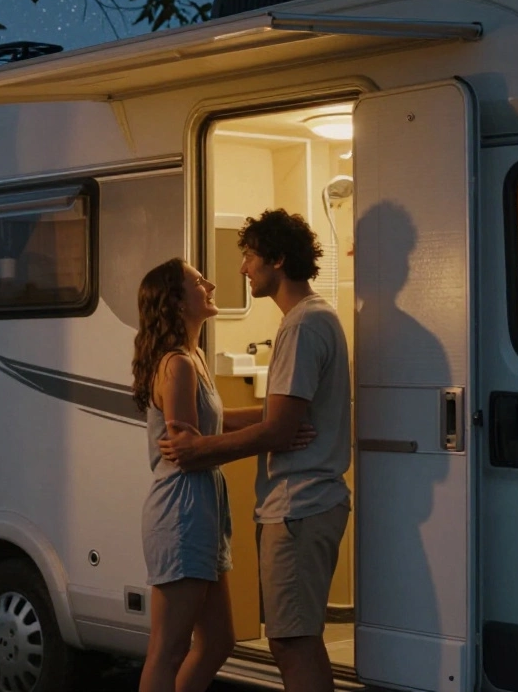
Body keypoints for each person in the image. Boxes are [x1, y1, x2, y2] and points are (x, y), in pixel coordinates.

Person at [159, 210, 351, 692]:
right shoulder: (313, 318)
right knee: (295, 638)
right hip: (305, 506)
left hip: (299, 506)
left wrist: (201, 450)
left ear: (278, 260)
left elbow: (281, 429)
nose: (242, 269)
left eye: (248, 256)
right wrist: (229, 426)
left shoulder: (302, 326)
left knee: (293, 643)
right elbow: (278, 421)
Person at [132, 257, 316, 692]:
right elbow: (190, 453)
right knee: (167, 649)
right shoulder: (176, 364)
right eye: (198, 281)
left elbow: (214, 423)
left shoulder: (193, 356)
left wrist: (280, 418)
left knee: (218, 641)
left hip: (203, 510)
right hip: (180, 512)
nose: (211, 284)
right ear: (177, 301)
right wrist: (272, 438)